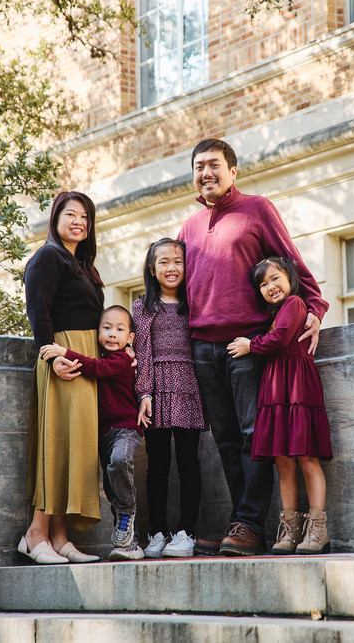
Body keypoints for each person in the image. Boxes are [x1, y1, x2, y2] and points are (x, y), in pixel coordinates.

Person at [178, 138, 329, 556]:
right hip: (203, 348)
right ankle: (241, 521)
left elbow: (293, 268)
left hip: (248, 346)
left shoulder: (257, 209)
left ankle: (250, 524)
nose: (206, 173)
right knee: (225, 439)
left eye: (214, 165)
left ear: (233, 170)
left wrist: (313, 309)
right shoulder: (189, 226)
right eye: (198, 167)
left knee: (252, 437)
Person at [19, 190, 103, 564]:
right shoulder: (47, 258)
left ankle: (59, 535)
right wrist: (51, 357)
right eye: (71, 214)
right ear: (55, 218)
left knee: (76, 447)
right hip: (62, 357)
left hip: (85, 359)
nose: (79, 222)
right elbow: (38, 311)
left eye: (85, 217)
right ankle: (35, 534)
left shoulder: (82, 264)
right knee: (56, 445)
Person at [227, 256, 332, 554]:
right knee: (283, 461)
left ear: (290, 279)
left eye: (275, 278)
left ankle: (318, 529)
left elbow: (280, 338)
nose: (270, 286)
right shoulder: (274, 312)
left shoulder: (296, 304)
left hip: (297, 386)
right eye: (263, 283)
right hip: (275, 387)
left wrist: (250, 345)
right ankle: (291, 530)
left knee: (306, 458)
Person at [41, 305, 146, 561]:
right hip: (103, 433)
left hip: (126, 428)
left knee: (120, 462)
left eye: (120, 330)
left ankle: (127, 511)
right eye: (106, 328)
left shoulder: (123, 359)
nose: (112, 334)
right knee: (111, 483)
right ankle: (129, 543)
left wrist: (63, 351)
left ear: (130, 337)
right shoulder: (100, 354)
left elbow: (97, 369)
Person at [133, 238, 208, 558]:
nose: (171, 267)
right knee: (157, 465)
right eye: (163, 262)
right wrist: (144, 392)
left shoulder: (196, 303)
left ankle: (186, 532)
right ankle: (157, 532)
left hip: (189, 384)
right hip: (155, 388)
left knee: (190, 463)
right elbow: (139, 353)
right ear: (152, 269)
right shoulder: (141, 308)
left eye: (177, 261)